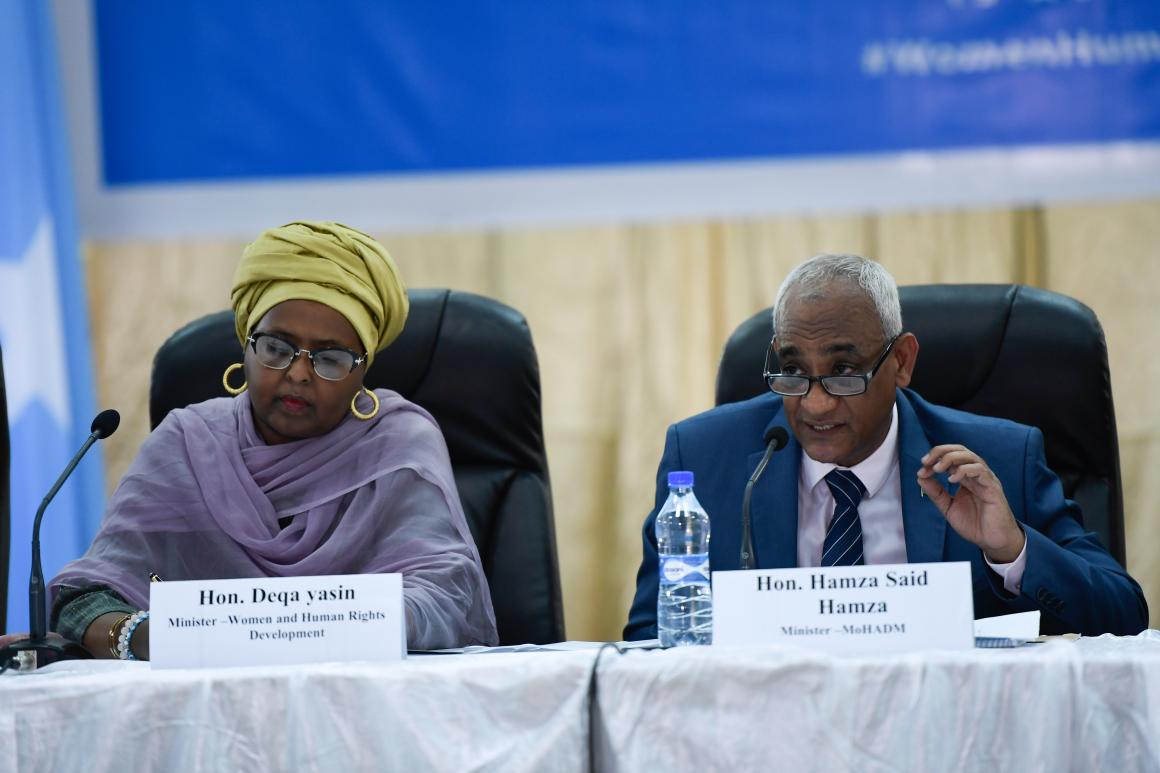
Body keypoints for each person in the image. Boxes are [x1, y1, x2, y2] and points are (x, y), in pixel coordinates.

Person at [625, 253, 1148, 640]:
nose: (814, 405)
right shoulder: (702, 459)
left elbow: (1124, 618)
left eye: (844, 372)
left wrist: (1011, 551)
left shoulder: (1002, 459)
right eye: (792, 371)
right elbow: (650, 642)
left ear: (901, 362)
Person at [46, 221, 498, 658]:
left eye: (331, 358)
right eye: (277, 349)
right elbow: (86, 596)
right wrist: (144, 636)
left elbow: (447, 598)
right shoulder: (186, 442)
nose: (299, 373)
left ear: (363, 371)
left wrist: (301, 629)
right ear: (246, 346)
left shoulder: (398, 444)